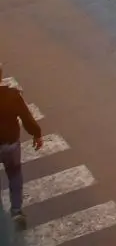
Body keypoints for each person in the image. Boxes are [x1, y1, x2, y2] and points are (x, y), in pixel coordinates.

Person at [0, 62, 44, 231]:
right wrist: (37, 134)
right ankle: (16, 210)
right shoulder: (12, 96)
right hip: (10, 145)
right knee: (14, 175)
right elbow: (26, 117)